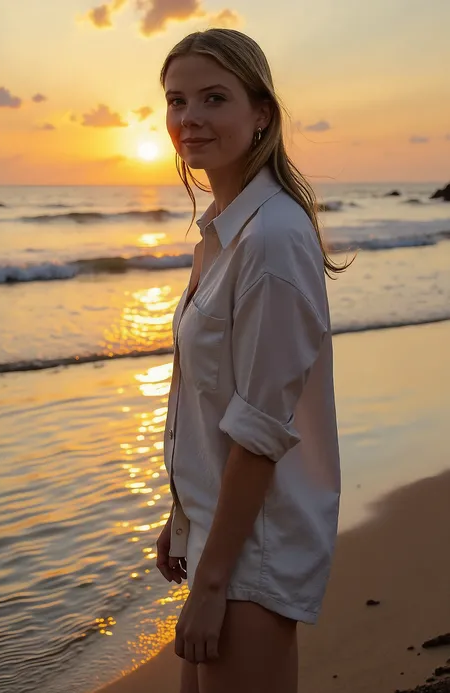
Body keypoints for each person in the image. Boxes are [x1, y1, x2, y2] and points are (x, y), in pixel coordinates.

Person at [155, 28, 352, 693]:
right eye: (177, 101)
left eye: (214, 98)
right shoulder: (222, 227)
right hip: (221, 533)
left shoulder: (269, 238)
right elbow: (211, 398)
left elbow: (261, 428)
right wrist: (181, 513)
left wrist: (213, 581)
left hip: (253, 548)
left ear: (260, 111)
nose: (190, 118)